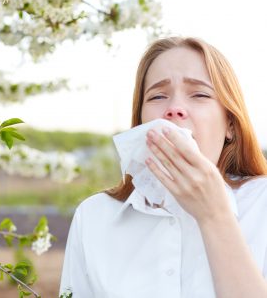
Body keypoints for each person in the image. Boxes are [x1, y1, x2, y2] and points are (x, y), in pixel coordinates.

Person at [59, 36, 267, 298]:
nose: (175, 109)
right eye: (158, 95)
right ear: (141, 121)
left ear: (230, 125)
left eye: (200, 94)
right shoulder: (93, 217)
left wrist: (214, 215)